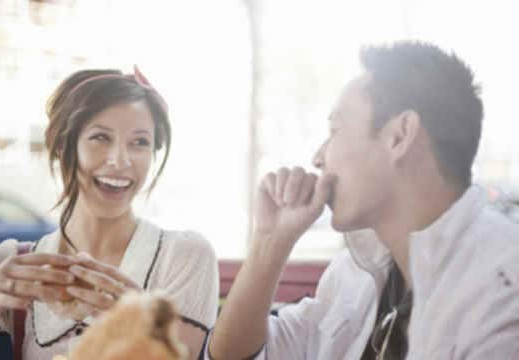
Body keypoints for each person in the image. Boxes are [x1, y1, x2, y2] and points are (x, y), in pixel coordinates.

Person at [208, 41, 519, 359]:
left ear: (399, 136)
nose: (318, 158)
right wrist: (270, 241)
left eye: (335, 129)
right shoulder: (355, 276)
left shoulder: (501, 291)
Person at [0, 67, 219, 359]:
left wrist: (141, 327)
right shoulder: (10, 263)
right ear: (63, 145)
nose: (120, 160)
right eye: (101, 138)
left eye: (140, 142)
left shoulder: (184, 257)